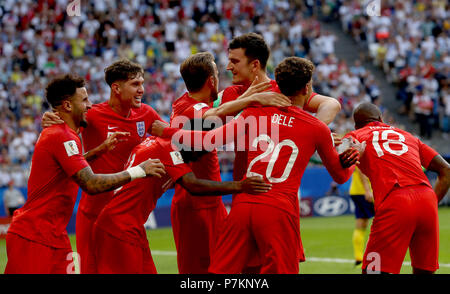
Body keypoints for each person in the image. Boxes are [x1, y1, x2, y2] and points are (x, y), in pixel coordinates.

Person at [152, 56, 358, 273]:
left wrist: (165, 130)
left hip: (243, 204)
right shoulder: (316, 128)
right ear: (307, 88)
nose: (229, 68)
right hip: (277, 207)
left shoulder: (254, 112)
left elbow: (209, 140)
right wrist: (350, 156)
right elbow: (341, 176)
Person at [4, 74, 165, 274]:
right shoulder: (60, 135)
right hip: (34, 235)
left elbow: (71, 168)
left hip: (54, 235)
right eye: (84, 100)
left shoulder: (65, 134)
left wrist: (98, 151)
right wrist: (139, 170)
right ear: (68, 106)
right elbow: (91, 183)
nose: (90, 105)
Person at [215, 32, 344, 273]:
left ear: (254, 65)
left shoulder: (283, 90)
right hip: (245, 193)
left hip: (276, 195)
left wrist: (313, 133)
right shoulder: (230, 95)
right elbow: (204, 123)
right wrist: (249, 100)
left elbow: (331, 104)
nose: (228, 66)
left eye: (234, 61)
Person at [169, 52, 291, 274]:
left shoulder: (189, 104)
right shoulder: (191, 109)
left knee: (231, 267)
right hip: (195, 205)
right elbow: (212, 118)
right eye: (217, 73)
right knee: (199, 273)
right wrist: (251, 101)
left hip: (211, 204)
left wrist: (248, 96)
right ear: (211, 81)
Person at [93, 133, 271, 274]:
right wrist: (240, 186)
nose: (193, 161)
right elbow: (193, 185)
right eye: (196, 153)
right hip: (119, 227)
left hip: (129, 226)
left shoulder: (155, 142)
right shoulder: (169, 149)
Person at [344, 102, 450, 274]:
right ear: (381, 119)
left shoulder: (355, 135)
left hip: (396, 199)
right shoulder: (407, 135)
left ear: (356, 124)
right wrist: (431, 204)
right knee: (424, 270)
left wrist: (334, 142)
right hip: (426, 198)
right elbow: (446, 169)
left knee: (374, 271)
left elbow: (339, 163)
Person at [348, 167, 374, 266]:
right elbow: (361, 169)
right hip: (364, 192)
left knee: (362, 223)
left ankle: (359, 257)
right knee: (383, 220)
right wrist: (367, 190)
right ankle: (379, 253)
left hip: (357, 191)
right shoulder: (363, 151)